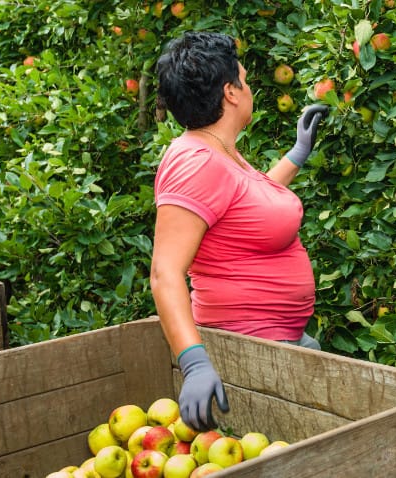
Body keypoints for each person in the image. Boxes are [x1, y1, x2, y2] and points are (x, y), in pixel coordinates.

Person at [150, 31, 327, 432]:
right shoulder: (195, 161)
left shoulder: (219, 151)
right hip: (251, 354)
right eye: (244, 80)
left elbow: (246, 210)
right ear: (231, 92)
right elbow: (165, 272)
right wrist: (193, 362)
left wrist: (296, 155)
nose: (248, 88)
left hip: (279, 344)